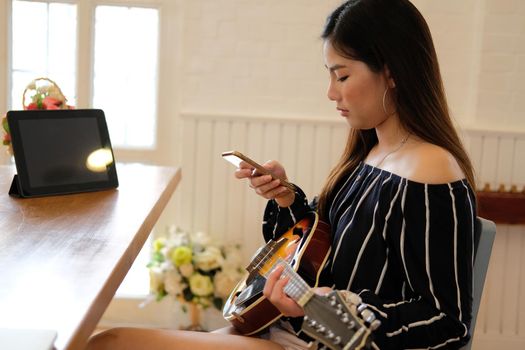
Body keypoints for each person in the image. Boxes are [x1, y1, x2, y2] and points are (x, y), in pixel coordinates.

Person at [86, 0, 476, 349]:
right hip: (282, 329)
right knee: (107, 341)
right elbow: (319, 255)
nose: (331, 92)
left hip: (308, 342)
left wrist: (323, 311)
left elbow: (445, 322)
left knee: (110, 343)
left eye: (341, 76)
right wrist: (287, 200)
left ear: (391, 73)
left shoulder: (431, 173)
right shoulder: (370, 154)